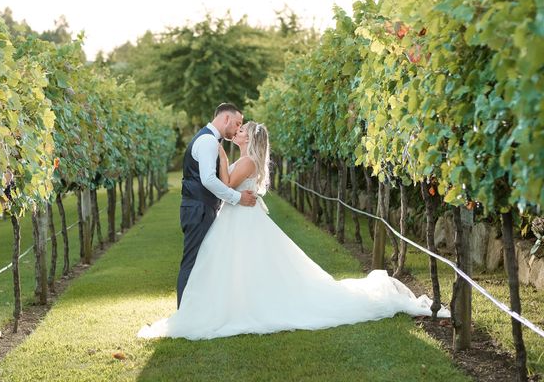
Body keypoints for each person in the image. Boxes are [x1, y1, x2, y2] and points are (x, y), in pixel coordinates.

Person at [138, 121, 449, 340]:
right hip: (239, 216)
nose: (238, 131)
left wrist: (220, 156)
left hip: (242, 219)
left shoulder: (245, 162)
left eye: (242, 130)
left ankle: (242, 305)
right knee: (240, 265)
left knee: (239, 263)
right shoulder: (245, 159)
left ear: (250, 139)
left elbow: (227, 184)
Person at [176, 103, 257, 309]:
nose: (238, 128)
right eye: (237, 123)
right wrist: (237, 198)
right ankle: (185, 312)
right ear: (225, 119)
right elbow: (208, 180)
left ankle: (199, 309)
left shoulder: (211, 141)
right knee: (193, 262)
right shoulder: (207, 141)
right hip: (198, 209)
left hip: (201, 208)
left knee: (203, 262)